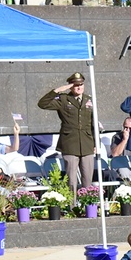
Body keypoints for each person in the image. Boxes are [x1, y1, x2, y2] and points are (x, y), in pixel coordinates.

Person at [37, 72, 96, 200]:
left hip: (87, 143)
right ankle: (72, 205)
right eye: (75, 85)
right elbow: (42, 104)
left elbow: (93, 123)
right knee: (72, 180)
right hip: (70, 143)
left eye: (81, 84)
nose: (79, 87)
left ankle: (87, 205)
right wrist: (57, 91)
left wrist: (96, 143)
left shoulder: (89, 99)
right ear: (70, 86)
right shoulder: (63, 99)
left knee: (88, 179)